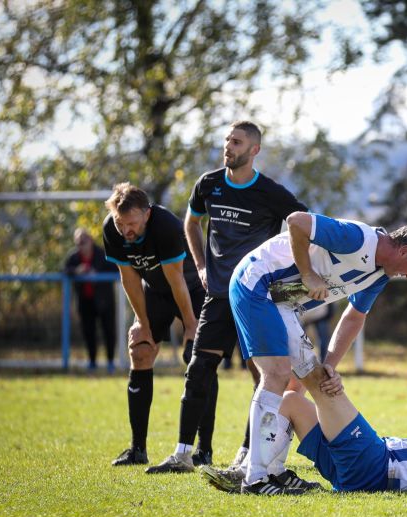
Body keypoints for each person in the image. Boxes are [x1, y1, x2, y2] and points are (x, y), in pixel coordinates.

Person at [226, 211, 407, 494]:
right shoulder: (358, 239)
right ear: (405, 250)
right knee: (277, 374)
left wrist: (330, 366)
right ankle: (255, 478)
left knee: (314, 381)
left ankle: (274, 471)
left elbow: (354, 317)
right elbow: (296, 221)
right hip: (257, 283)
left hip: (281, 301)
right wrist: (308, 274)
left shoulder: (380, 275)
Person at [147, 120, 308, 474]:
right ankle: (182, 454)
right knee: (198, 369)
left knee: (261, 375)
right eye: (226, 140)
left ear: (254, 150)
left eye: (236, 142)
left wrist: (295, 271)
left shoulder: (270, 192)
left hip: (255, 299)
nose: (228, 147)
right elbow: (191, 223)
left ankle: (249, 451)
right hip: (218, 297)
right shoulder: (209, 184)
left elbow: (303, 223)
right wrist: (201, 266)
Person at [201, 365, 407, 495]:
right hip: (360, 469)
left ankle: (257, 479)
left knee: (317, 380)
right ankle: (271, 474)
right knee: (291, 401)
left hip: (376, 464)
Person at [102, 183, 209, 466]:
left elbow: (177, 280)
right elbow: (129, 278)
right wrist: (143, 324)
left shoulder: (165, 226)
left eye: (132, 223)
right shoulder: (112, 229)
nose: (126, 230)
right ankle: (138, 450)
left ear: (147, 215)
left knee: (199, 360)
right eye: (120, 223)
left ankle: (203, 450)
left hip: (190, 289)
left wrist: (189, 324)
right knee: (140, 350)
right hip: (155, 290)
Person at [64, 228, 118, 372]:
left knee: (109, 332)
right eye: (78, 243)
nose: (81, 245)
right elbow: (65, 270)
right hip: (85, 301)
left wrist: (97, 274)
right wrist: (77, 271)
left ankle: (111, 363)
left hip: (105, 301)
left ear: (90, 241)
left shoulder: (103, 255)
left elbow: (116, 269)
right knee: (89, 332)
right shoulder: (74, 257)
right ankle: (92, 363)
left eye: (84, 241)